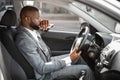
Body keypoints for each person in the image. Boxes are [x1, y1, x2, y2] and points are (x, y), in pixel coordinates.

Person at [15, 6, 95, 80]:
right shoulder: (24, 40)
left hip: (48, 61)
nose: (40, 20)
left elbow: (37, 34)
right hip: (46, 74)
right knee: (86, 70)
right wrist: (69, 59)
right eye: (37, 18)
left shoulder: (30, 30)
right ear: (27, 19)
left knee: (78, 57)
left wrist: (45, 27)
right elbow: (42, 68)